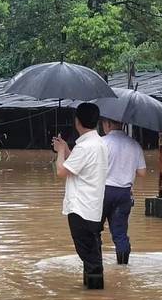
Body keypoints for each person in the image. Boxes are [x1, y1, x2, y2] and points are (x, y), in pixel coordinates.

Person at [52, 103, 108, 290]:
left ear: (77, 121)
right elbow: (77, 164)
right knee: (93, 251)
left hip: (81, 208)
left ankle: (94, 298)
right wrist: (66, 149)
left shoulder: (85, 147)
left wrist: (60, 152)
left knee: (89, 256)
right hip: (93, 207)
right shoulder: (98, 143)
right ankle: (94, 294)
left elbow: (61, 171)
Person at [101, 119, 146, 265]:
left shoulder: (101, 143)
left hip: (103, 192)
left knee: (95, 231)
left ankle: (95, 266)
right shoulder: (134, 144)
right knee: (120, 234)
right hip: (124, 194)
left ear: (107, 124)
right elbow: (142, 172)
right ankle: (123, 268)